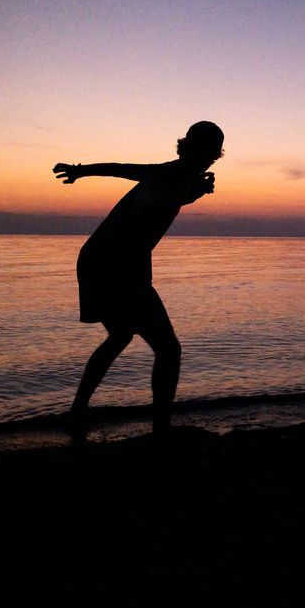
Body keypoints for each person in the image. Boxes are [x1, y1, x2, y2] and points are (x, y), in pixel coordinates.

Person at [52, 121, 224, 435]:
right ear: (191, 148)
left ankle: (77, 412)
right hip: (114, 264)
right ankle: (161, 429)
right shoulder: (176, 176)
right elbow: (152, 201)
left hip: (100, 259)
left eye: (213, 155)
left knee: (120, 336)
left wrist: (81, 170)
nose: (210, 160)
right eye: (208, 152)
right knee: (168, 349)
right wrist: (190, 194)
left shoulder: (170, 170)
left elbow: (120, 168)